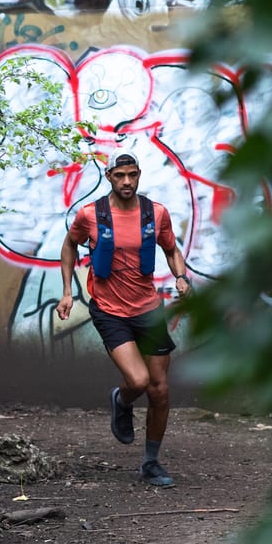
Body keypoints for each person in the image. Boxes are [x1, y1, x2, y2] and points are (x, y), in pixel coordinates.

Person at [55, 152, 191, 487]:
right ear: (109, 176)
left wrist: (181, 276)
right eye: (120, 175)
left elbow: (171, 249)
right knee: (139, 381)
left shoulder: (154, 213)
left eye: (132, 175)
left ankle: (150, 462)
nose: (127, 181)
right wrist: (68, 291)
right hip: (110, 310)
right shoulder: (91, 214)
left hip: (147, 309)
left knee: (160, 391)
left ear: (139, 175)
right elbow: (69, 246)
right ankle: (122, 399)